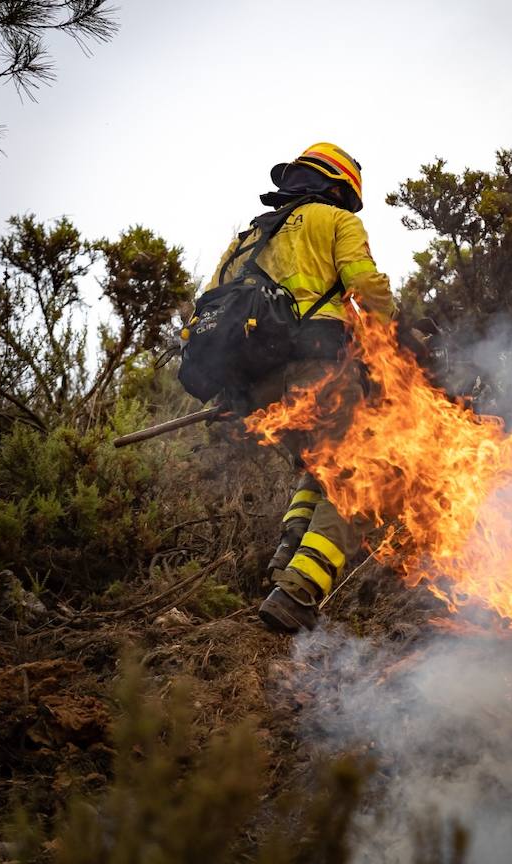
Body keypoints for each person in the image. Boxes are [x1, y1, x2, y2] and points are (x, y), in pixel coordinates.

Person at [205, 142, 394, 633]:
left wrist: (231, 390)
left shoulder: (250, 237)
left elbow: (209, 309)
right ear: (339, 188)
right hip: (316, 371)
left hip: (258, 391)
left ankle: (285, 560)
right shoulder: (336, 221)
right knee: (356, 477)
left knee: (319, 468)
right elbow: (366, 286)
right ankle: (297, 594)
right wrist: (394, 334)